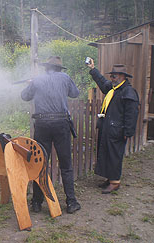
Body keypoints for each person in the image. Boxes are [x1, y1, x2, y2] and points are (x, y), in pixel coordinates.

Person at [21, 56, 81, 214]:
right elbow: (75, 93)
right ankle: (71, 203)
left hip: (42, 125)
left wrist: (31, 84)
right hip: (61, 125)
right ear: (59, 69)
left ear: (46, 68)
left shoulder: (38, 79)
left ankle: (36, 203)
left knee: (40, 163)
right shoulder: (65, 78)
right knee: (66, 165)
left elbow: (25, 96)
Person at [87, 58, 139, 194]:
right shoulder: (114, 89)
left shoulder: (128, 92)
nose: (111, 78)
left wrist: (128, 131)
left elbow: (131, 114)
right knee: (106, 153)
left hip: (118, 130)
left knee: (114, 155)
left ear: (122, 77)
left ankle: (115, 182)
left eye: (114, 75)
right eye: (111, 75)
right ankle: (110, 178)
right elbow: (103, 83)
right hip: (109, 128)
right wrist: (93, 69)